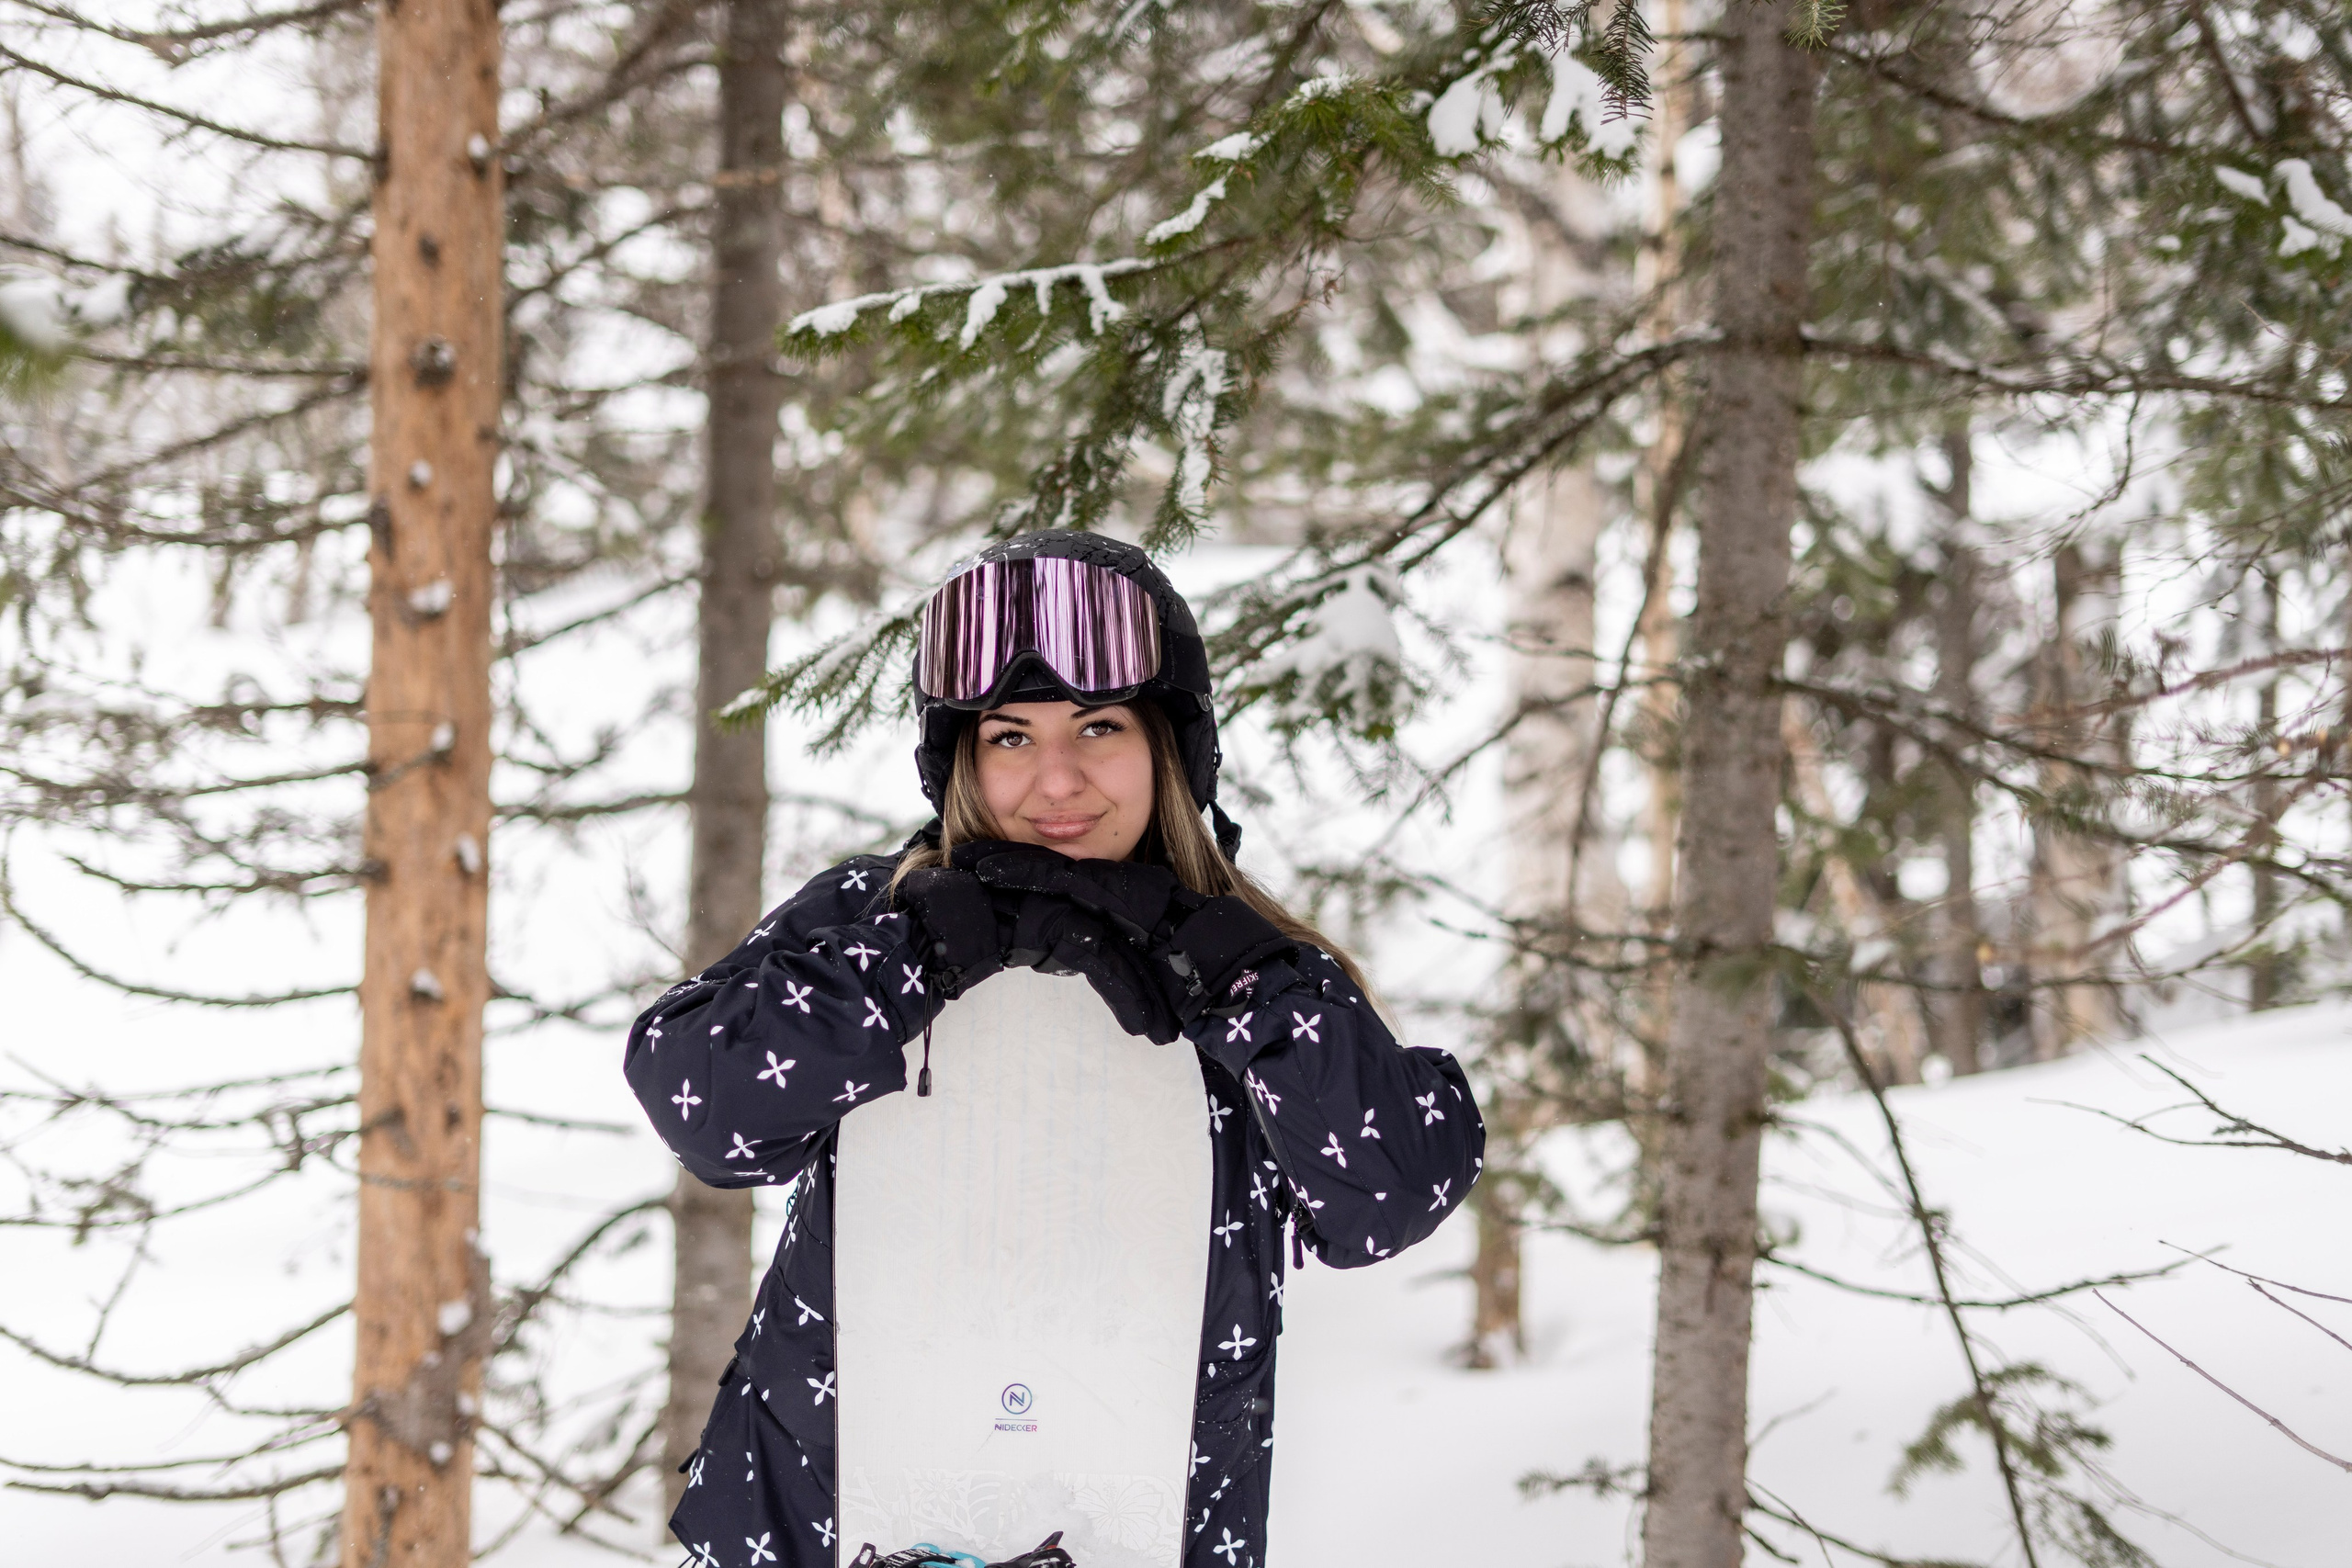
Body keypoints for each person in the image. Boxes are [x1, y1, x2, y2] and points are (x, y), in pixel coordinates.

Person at [625, 530, 1484, 1568]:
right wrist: (919, 955)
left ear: (1171, 746)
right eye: (1010, 737)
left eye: (1098, 725)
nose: (1057, 780)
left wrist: (1231, 973)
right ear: (960, 757)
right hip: (828, 1517)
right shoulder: (874, 912)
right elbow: (708, 1111)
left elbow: (1385, 1195)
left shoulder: (1246, 961)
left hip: (1147, 1519)